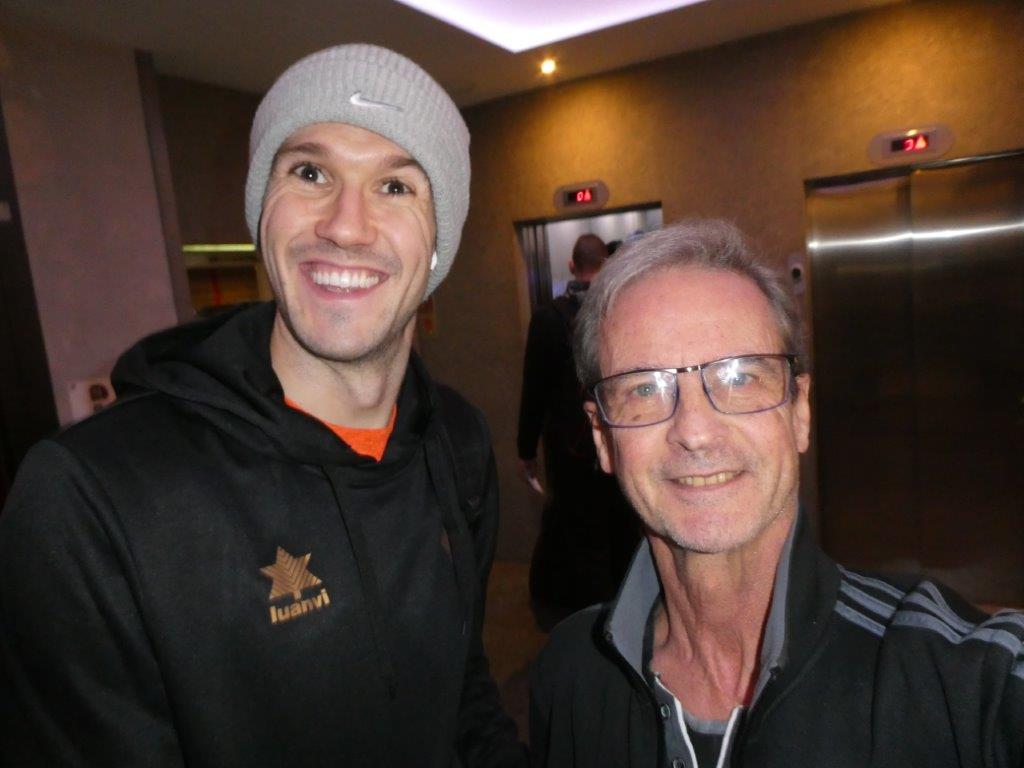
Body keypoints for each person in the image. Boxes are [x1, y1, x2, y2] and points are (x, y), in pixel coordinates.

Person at [0, 44, 526, 767]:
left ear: (440, 243)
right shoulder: (89, 496)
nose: (346, 225)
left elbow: (464, 693)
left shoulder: (456, 440)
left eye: (396, 186)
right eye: (310, 173)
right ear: (261, 211)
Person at [530, 219, 1024, 767]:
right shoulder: (569, 676)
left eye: (741, 377)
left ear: (800, 412)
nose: (695, 431)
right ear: (603, 438)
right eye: (644, 388)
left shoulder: (955, 683)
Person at [517, 234, 634, 626]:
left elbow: (533, 390)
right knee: (620, 527)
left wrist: (525, 449)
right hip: (618, 441)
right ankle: (624, 613)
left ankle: (582, 619)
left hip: (568, 449)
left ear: (571, 266)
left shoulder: (548, 319)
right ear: (606, 264)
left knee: (575, 529)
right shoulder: (621, 312)